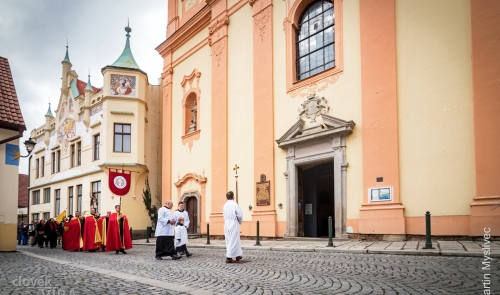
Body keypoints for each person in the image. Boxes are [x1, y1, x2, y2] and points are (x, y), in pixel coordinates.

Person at [223, 191, 243, 263]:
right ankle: (229, 257)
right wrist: (240, 221)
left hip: (227, 223)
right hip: (233, 223)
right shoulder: (235, 205)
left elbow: (224, 215)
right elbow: (240, 215)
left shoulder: (225, 205)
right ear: (233, 196)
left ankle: (238, 255)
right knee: (233, 240)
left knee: (229, 240)